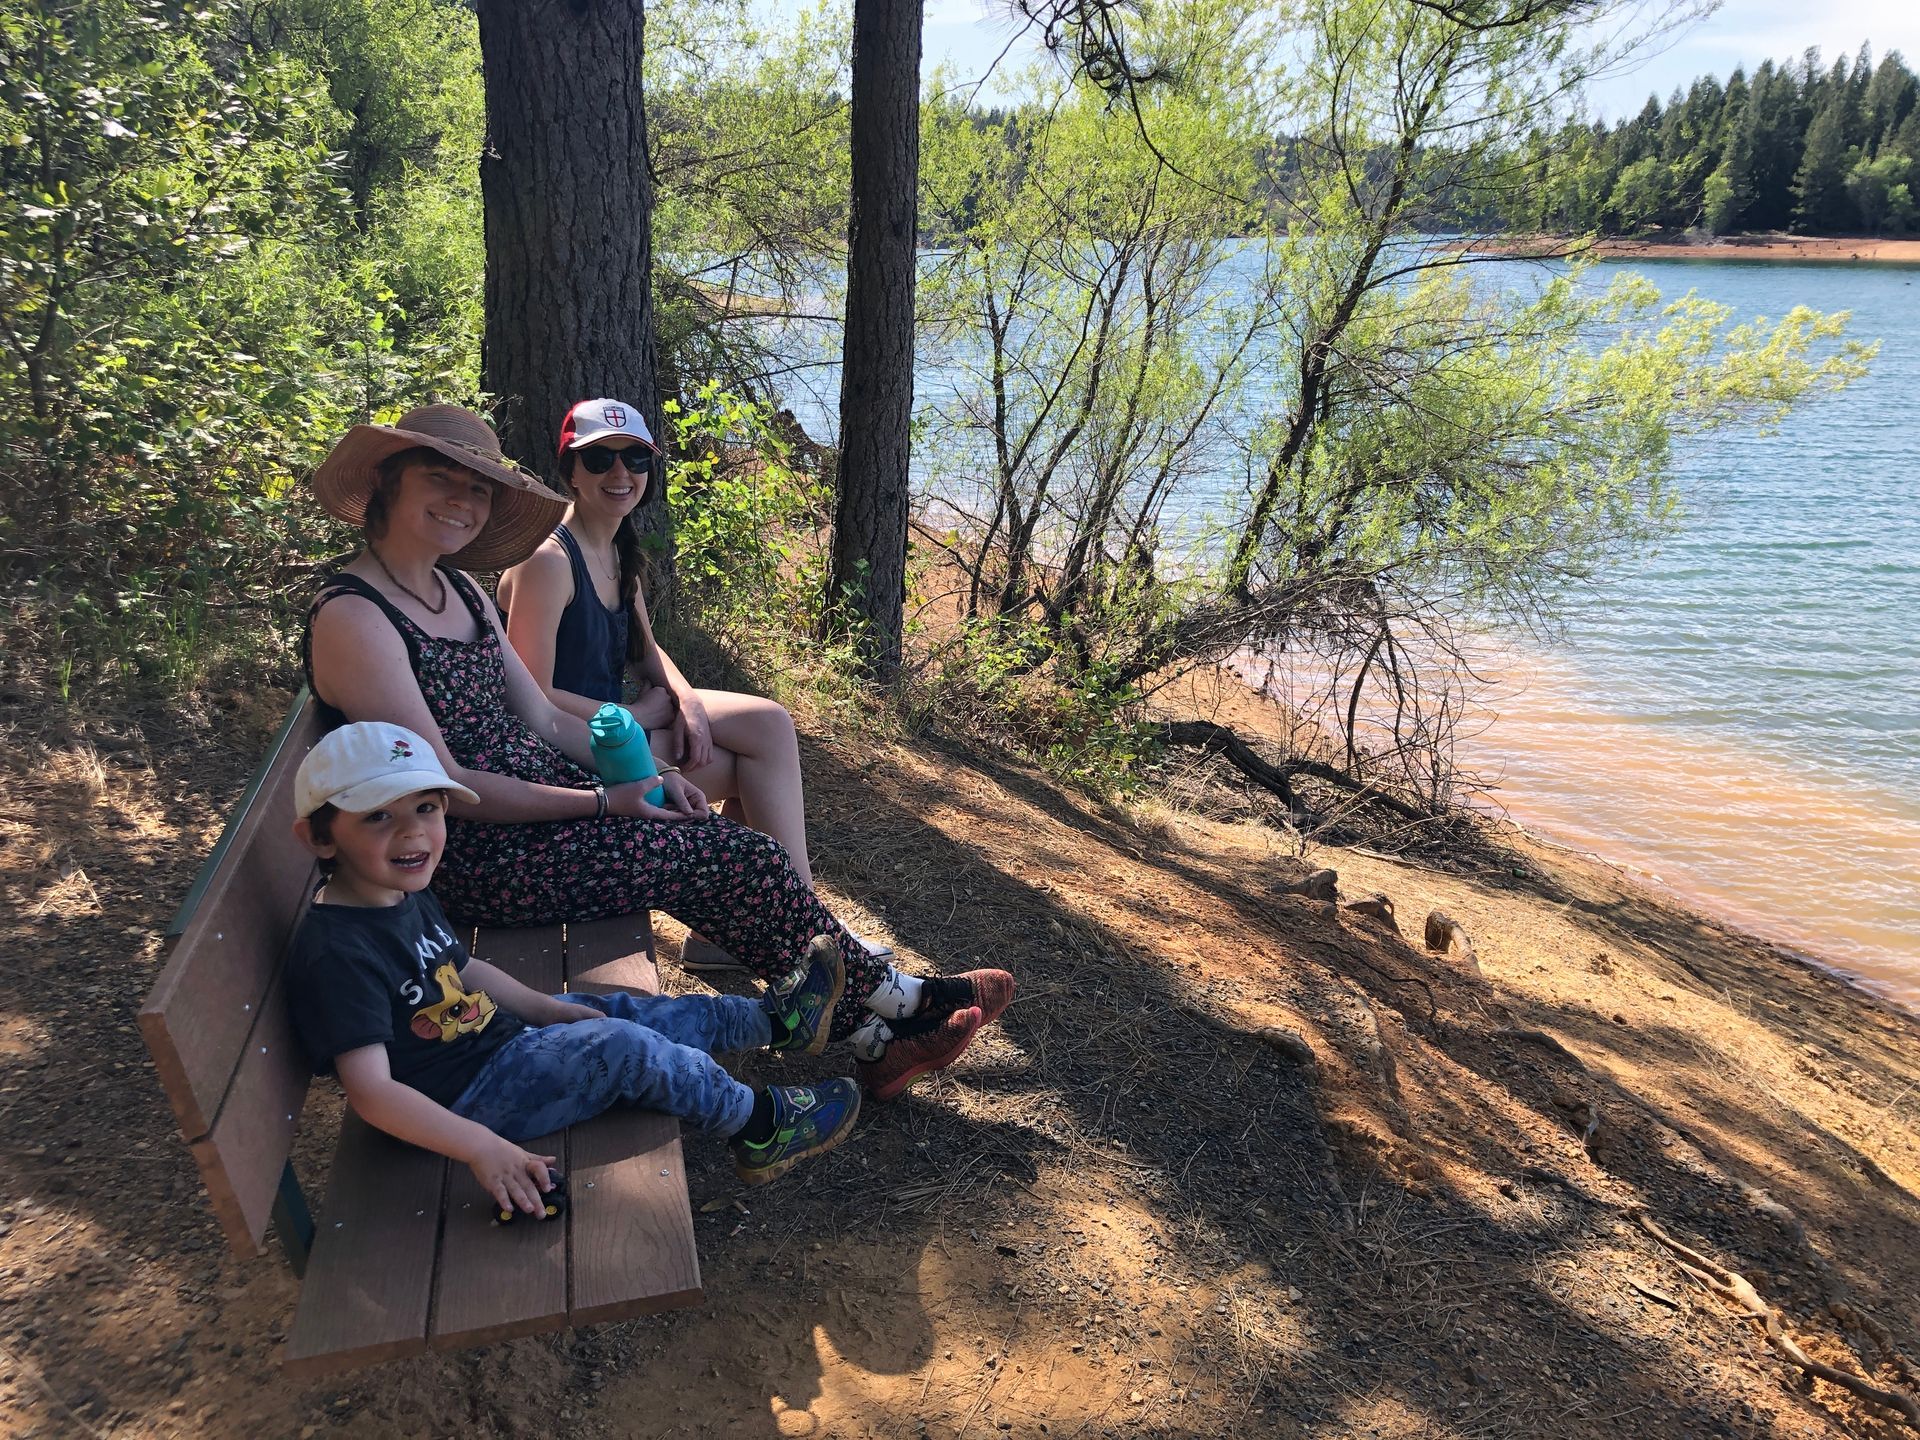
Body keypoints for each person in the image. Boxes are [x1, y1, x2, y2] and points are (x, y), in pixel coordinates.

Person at [301, 404, 1013, 1100]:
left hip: (540, 814)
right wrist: (605, 801)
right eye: (441, 478)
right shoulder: (356, 617)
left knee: (738, 852)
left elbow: (546, 720)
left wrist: (653, 773)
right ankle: (902, 1004)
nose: (463, 501)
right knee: (718, 857)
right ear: (390, 482)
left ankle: (878, 1040)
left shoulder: (458, 590)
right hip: (472, 854)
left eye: (479, 488)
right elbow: (448, 785)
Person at [283, 720, 862, 1205]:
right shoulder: (340, 953)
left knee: (616, 1010)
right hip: (467, 1100)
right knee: (622, 1046)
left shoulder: (397, 893)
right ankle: (758, 1125)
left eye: (427, 807)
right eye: (378, 817)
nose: (414, 830)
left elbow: (463, 971)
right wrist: (482, 1147)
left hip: (494, 1043)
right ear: (320, 839)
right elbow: (372, 1094)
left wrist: (546, 1009)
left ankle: (774, 1022)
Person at [496, 397, 843, 974]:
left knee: (767, 726)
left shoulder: (615, 550)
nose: (620, 474)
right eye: (600, 459)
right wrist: (644, 713)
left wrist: (683, 701)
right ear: (570, 473)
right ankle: (808, 934)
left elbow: (648, 652)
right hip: (569, 757)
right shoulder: (548, 562)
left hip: (618, 736)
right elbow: (530, 696)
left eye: (635, 459)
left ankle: (773, 929)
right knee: (746, 766)